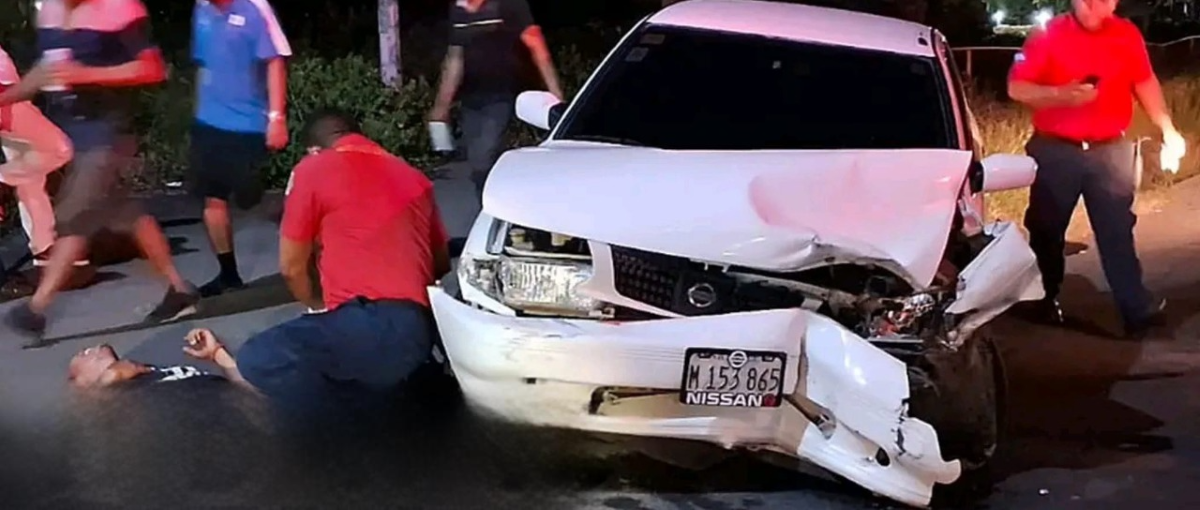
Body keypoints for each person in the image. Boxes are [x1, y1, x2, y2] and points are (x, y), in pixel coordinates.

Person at [209, 108, 450, 416]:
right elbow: (439, 264)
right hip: (418, 331)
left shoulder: (314, 169)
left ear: (312, 150)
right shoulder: (413, 177)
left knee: (260, 357)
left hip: (365, 324)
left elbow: (292, 267)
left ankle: (331, 433)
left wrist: (316, 304)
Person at [0, 0, 200, 337]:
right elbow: (45, 72)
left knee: (75, 216)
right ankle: (180, 290)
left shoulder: (120, 9)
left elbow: (151, 68)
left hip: (109, 128)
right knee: (127, 214)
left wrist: (85, 74)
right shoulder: (50, 11)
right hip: (75, 128)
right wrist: (6, 98)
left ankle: (36, 309)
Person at [1007, 0, 1186, 338]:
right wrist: (1062, 95)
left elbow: (1144, 82)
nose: (1093, 5)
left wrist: (1168, 128)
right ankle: (1043, 299)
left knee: (1118, 231)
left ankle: (1137, 312)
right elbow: (1017, 87)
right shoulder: (1048, 34)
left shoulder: (1126, 34)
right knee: (1046, 230)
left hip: (1111, 150)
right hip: (1055, 150)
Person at [190, 0, 292, 297]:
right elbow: (203, 63)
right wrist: (199, 112)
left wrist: (277, 117)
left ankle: (312, 237)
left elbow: (275, 61)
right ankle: (228, 273)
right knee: (213, 199)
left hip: (248, 122)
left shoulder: (254, 7)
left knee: (252, 200)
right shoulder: (203, 9)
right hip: (210, 121)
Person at [429, 0, 563, 199]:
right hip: (471, 96)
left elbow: (537, 47)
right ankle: (495, 208)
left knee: (485, 155)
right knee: (476, 163)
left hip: (502, 93)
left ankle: (495, 211)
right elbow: (455, 57)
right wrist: (441, 106)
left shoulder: (509, 4)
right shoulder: (458, 8)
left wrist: (557, 97)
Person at [0, 44, 74, 267]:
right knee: (57, 149)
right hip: (8, 100)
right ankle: (45, 246)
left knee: (31, 172)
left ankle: (44, 246)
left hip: (12, 96)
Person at [66, 331, 248, 389]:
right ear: (81, 383)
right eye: (81, 355)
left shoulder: (153, 373)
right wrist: (109, 379)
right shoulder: (120, 404)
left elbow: (246, 392)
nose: (84, 350)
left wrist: (218, 355)